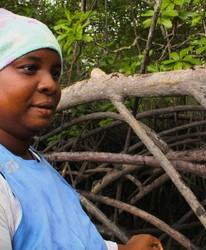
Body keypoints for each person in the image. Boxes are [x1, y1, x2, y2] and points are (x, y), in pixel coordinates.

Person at [0, 9, 163, 250]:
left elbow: (71, 240)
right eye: (29, 68)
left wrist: (122, 249)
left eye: (55, 74)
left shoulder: (35, 162)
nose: (50, 85)